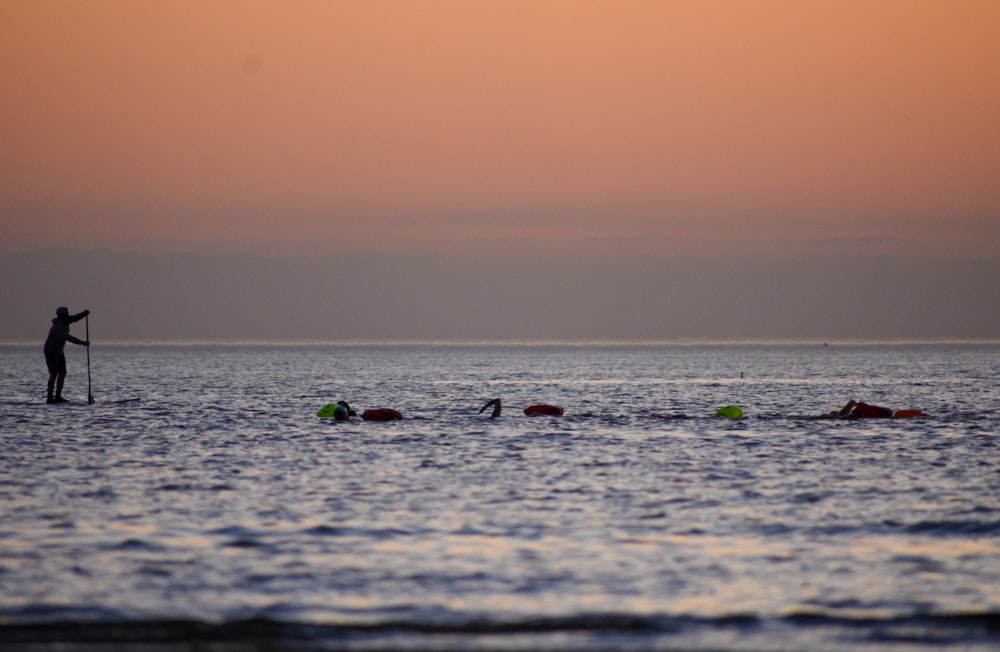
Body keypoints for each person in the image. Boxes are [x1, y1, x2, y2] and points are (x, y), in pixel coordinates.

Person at [43, 306, 90, 404]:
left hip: (59, 351)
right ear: (62, 316)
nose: (67, 317)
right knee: (54, 373)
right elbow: (69, 338)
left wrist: (83, 314)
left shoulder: (65, 321)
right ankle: (50, 397)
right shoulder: (57, 328)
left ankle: (58, 396)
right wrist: (82, 343)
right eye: (66, 315)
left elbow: (74, 318)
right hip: (51, 351)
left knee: (62, 373)